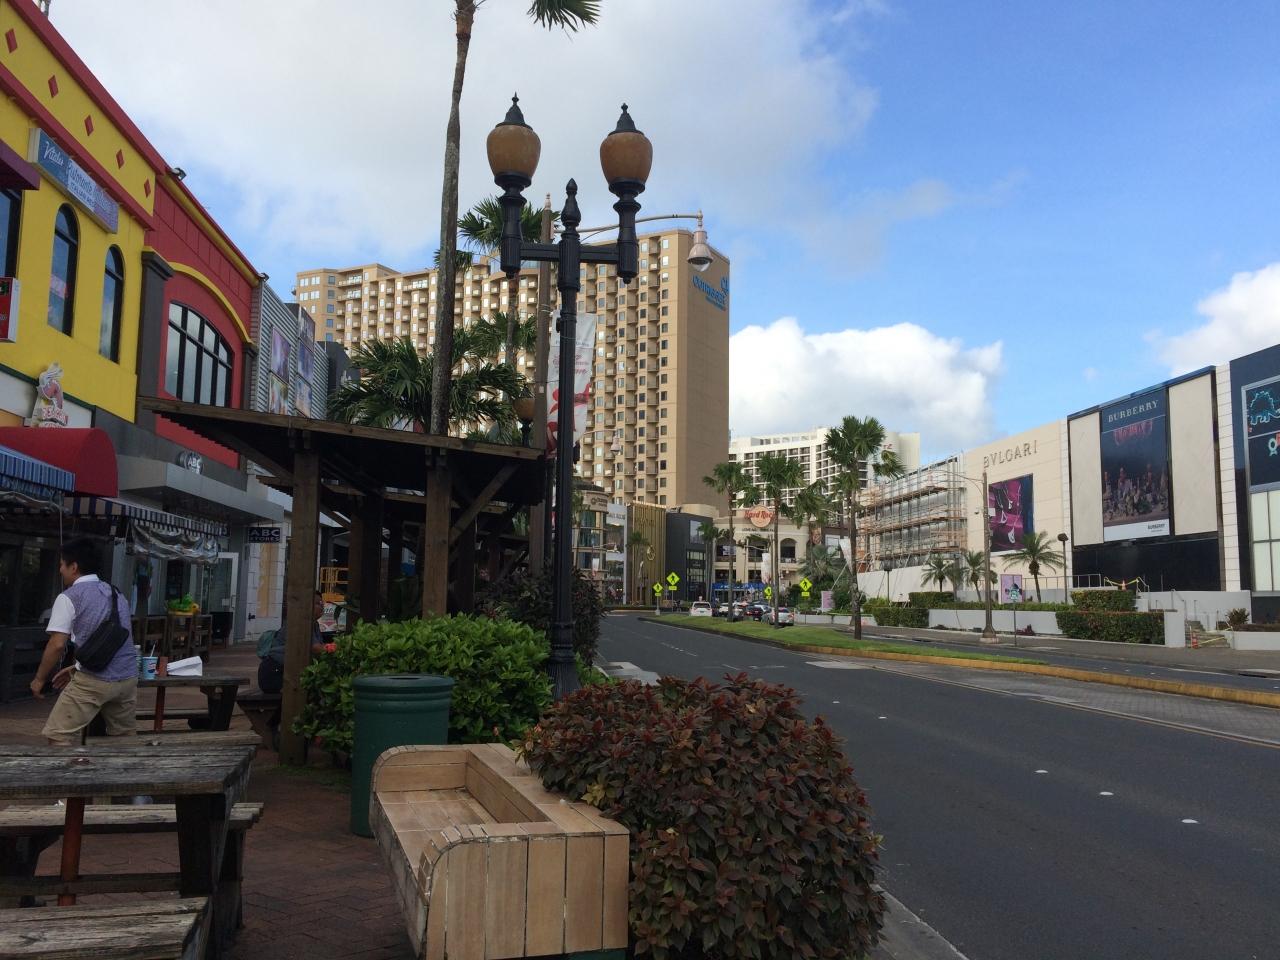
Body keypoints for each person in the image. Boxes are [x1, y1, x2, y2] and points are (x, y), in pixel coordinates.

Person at [30, 538, 137, 746]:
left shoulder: (69, 597)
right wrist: (76, 667)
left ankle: (65, 768)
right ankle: (125, 767)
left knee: (58, 734)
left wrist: (39, 679)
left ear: (74, 567)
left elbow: (57, 645)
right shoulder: (116, 593)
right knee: (124, 736)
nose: (60, 570)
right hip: (127, 678)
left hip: (94, 680)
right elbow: (112, 640)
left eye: (62, 564)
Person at [257, 590, 326, 694]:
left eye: (321, 603)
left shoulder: (314, 624)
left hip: (288, 672)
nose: (321, 606)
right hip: (275, 673)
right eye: (317, 603)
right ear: (306, 605)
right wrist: (338, 648)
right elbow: (315, 648)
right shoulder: (300, 623)